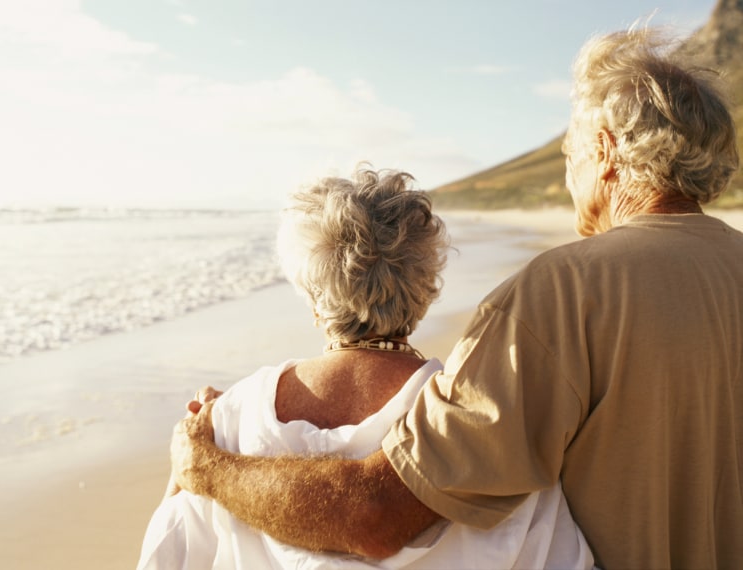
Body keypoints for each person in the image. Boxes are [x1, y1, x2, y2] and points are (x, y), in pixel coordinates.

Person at [170, 26, 743, 569]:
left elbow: (378, 516)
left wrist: (210, 469)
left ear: (605, 147)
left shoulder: (564, 292)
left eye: (570, 155)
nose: (571, 174)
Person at [137, 168, 594, 569]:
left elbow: (166, 556)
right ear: (424, 291)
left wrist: (202, 448)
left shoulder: (224, 423)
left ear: (314, 298)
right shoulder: (479, 423)